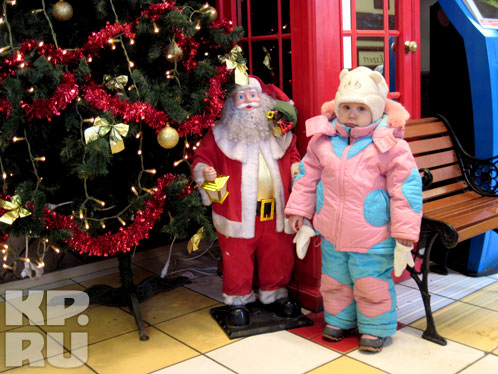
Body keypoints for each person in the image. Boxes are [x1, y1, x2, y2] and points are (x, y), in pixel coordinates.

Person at [285, 66, 422, 352]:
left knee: (370, 283)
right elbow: (307, 178)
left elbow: (405, 191)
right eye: (346, 106)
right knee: (335, 281)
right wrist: (299, 210)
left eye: (361, 108)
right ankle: (339, 320)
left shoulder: (389, 145)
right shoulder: (322, 142)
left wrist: (405, 231)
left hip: (372, 236)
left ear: (375, 111)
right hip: (332, 234)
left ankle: (375, 328)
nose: (351, 114)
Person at [192, 76, 301, 325]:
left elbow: (293, 154)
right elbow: (201, 159)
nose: (248, 103)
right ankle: (238, 299)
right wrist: (204, 173)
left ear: (263, 100)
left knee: (278, 253)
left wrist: (296, 169)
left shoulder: (279, 132)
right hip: (237, 212)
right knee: (237, 257)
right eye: (241, 98)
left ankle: (275, 293)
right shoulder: (220, 135)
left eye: (252, 96)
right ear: (232, 103)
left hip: (276, 210)